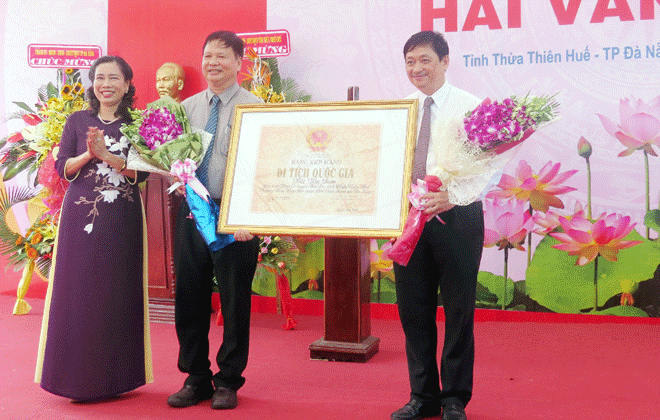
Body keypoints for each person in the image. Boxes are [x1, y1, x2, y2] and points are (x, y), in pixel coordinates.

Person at [35, 55, 152, 401]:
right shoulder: (76, 121)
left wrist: (109, 155)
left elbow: (143, 173)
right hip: (80, 219)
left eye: (114, 78)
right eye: (100, 77)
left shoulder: (138, 123)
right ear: (92, 83)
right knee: (79, 291)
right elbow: (63, 168)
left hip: (123, 219)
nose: (106, 84)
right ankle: (75, 378)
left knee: (116, 291)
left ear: (128, 85)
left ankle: (116, 378)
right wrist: (89, 154)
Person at [391, 31, 487, 420]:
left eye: (425, 60)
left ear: (445, 62)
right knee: (413, 309)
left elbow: (489, 167)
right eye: (411, 61)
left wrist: (454, 195)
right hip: (408, 220)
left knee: (459, 309)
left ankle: (454, 399)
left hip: (456, 216)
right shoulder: (400, 109)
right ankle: (422, 395)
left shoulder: (471, 107)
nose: (417, 69)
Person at [167, 30, 261, 410]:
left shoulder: (256, 108)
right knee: (190, 295)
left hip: (235, 217)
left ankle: (228, 380)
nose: (213, 63)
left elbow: (263, 167)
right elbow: (173, 158)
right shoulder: (187, 108)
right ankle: (196, 377)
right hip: (192, 211)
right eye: (208, 55)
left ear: (240, 63)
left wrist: (251, 216)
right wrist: (175, 177)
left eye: (223, 56)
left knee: (235, 300)